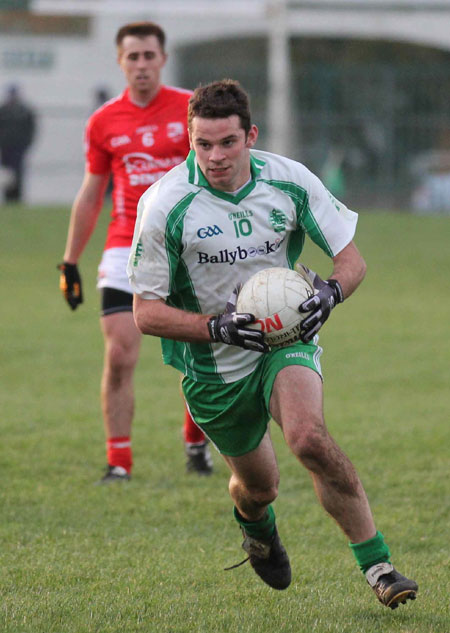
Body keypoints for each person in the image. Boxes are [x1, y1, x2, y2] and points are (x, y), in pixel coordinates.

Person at [127, 79, 418, 608]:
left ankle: (380, 567)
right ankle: (254, 523)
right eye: (203, 144)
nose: (215, 157)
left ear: (250, 136)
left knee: (308, 438)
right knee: (260, 487)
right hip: (214, 369)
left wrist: (331, 293)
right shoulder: (165, 206)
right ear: (190, 141)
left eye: (228, 143)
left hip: (286, 339)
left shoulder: (289, 180)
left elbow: (351, 261)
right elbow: (145, 313)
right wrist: (216, 326)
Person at [58, 21, 212, 484]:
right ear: (120, 61)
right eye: (133, 57)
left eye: (149, 55)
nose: (142, 65)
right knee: (120, 355)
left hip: (190, 248)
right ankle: (119, 463)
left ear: (163, 59)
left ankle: (195, 443)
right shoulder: (103, 121)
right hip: (125, 248)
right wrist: (69, 261)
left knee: (200, 355)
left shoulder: (191, 110)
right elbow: (91, 195)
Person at [0, 84, 36, 202]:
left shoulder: (25, 111)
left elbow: (31, 129)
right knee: (7, 173)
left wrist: (27, 144)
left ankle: (17, 197)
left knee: (19, 173)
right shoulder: (3, 110)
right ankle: (8, 196)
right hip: (5, 147)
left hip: (19, 148)